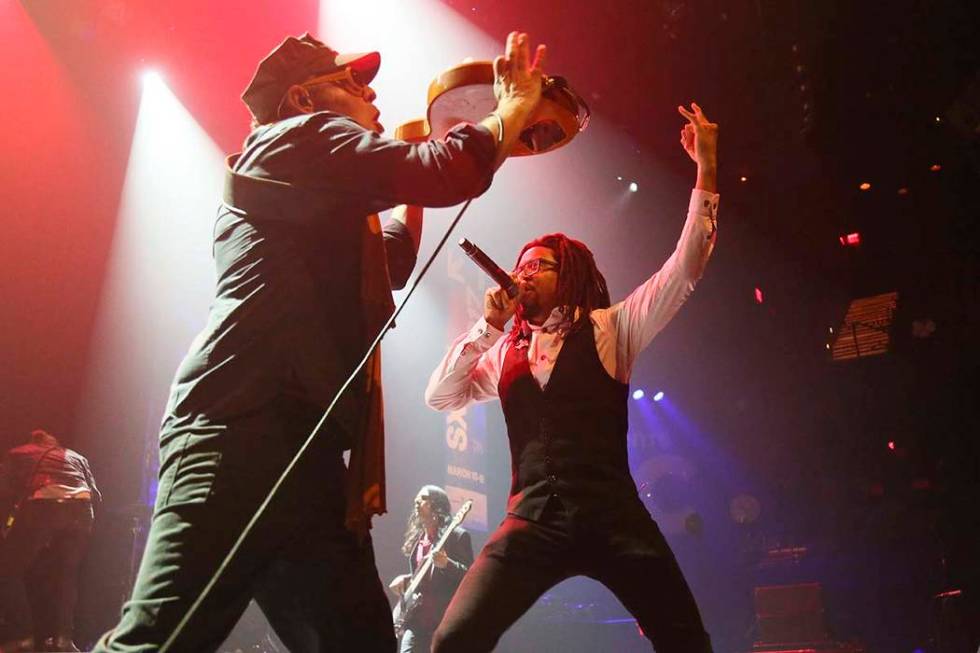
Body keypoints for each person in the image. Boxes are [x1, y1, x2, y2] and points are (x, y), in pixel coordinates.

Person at [91, 30, 547, 653]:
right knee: (160, 643)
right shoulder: (300, 138)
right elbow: (446, 171)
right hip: (238, 434)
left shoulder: (304, 175)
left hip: (295, 452)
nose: (371, 91)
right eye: (352, 82)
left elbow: (389, 260)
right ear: (305, 97)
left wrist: (412, 176)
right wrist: (513, 105)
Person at [424, 103, 720, 652]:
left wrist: (706, 169)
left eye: (539, 265)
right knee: (453, 639)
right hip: (532, 521)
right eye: (521, 265)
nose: (524, 272)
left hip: (614, 519)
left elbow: (687, 266)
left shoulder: (613, 328)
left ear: (571, 276)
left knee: (686, 642)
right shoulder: (505, 351)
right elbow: (440, 396)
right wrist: (486, 328)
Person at [0, 429, 101, 652]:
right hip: (82, 510)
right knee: (67, 577)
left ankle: (22, 635)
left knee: (6, 569)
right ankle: (63, 640)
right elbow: (95, 493)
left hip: (44, 507)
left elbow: (4, 490)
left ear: (34, 441)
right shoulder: (76, 456)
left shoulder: (20, 452)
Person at [388, 486, 473, 653]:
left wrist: (447, 564)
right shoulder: (419, 542)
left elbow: (470, 578)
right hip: (417, 622)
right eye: (416, 499)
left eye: (423, 498)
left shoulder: (457, 536)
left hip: (442, 622)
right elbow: (423, 578)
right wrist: (406, 580)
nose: (417, 502)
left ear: (437, 505)